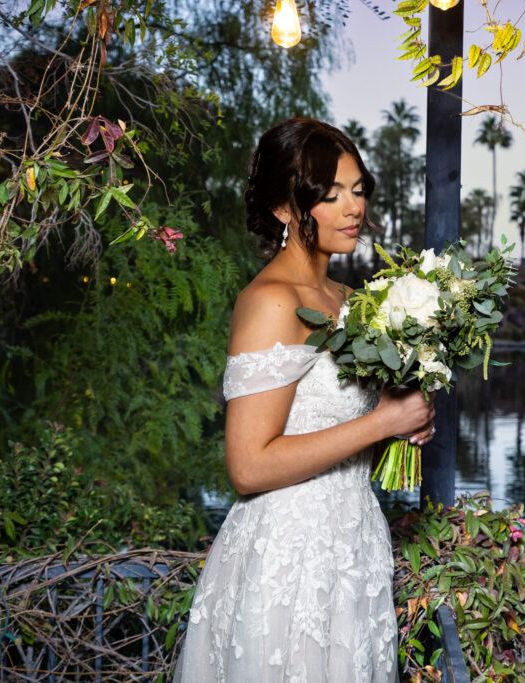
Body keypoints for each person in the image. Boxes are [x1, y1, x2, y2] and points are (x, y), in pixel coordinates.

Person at [173, 118, 435, 682]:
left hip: (355, 544)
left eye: (358, 189)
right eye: (331, 194)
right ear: (285, 209)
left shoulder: (350, 301)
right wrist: (383, 421)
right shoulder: (271, 301)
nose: (353, 208)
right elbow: (248, 466)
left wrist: (404, 418)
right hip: (288, 558)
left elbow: (353, 417)